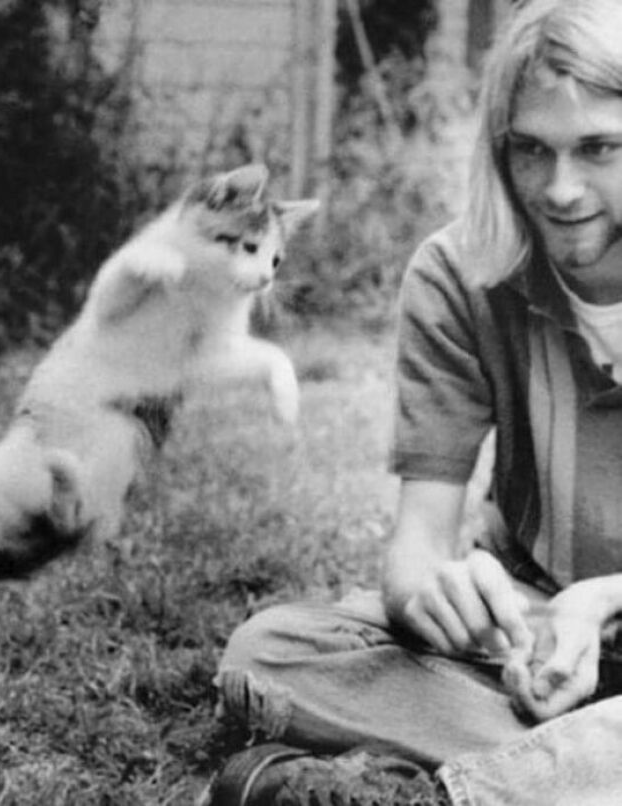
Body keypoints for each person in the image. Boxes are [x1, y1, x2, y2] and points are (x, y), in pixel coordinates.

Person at [200, 0, 622, 803]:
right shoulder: (460, 276)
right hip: (532, 634)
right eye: (530, 151)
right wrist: (437, 594)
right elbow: (418, 545)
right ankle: (583, 763)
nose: (561, 189)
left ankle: (438, 795)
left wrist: (602, 600)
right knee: (270, 654)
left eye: (599, 149)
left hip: (592, 615)